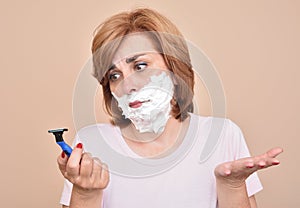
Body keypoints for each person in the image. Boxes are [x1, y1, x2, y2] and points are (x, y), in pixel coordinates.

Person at [57, 8, 283, 208]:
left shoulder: (223, 136)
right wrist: (85, 194)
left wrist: (232, 186)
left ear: (174, 68)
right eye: (114, 75)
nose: (127, 85)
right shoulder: (92, 143)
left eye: (140, 66)